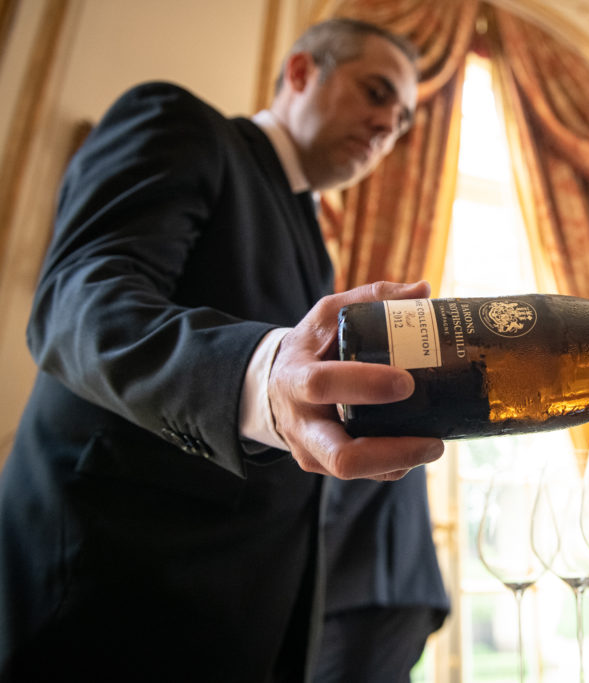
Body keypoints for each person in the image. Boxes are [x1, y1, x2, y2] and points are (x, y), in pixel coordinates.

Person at [0, 18, 448, 682]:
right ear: (300, 72)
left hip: (239, 632)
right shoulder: (179, 125)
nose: (389, 124)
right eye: (376, 92)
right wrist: (262, 375)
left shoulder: (315, 248)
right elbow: (79, 301)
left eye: (404, 117)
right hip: (104, 611)